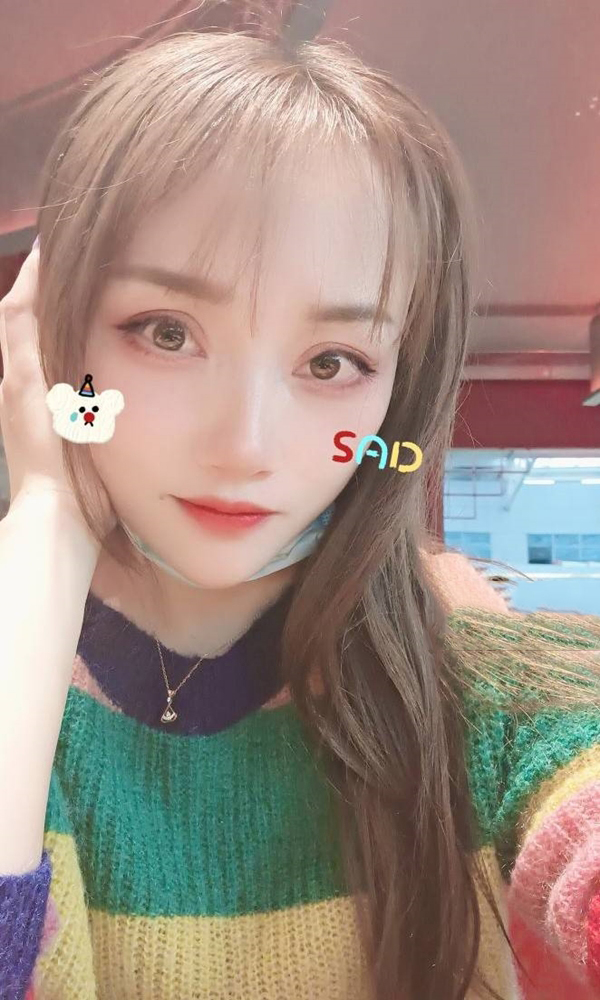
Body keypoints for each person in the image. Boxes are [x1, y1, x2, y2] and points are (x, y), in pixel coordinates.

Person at [0, 22, 598, 1000]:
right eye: (166, 331)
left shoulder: (465, 665)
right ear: (51, 344)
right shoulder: (20, 647)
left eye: (332, 362)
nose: (247, 444)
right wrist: (37, 527)